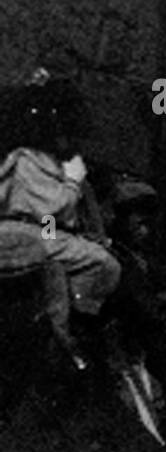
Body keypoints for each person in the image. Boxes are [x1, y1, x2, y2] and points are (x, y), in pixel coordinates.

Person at [0, 73, 120, 325]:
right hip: (23, 231)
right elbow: (49, 212)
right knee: (103, 264)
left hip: (39, 229)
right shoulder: (27, 159)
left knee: (97, 255)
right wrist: (72, 184)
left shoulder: (43, 158)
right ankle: (74, 322)